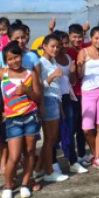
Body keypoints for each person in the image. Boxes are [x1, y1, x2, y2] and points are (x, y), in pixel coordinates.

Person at [0, 20, 43, 179]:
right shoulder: (2, 55)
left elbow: (38, 82)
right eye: (16, 38)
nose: (20, 41)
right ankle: (9, 178)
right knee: (11, 148)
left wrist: (37, 101)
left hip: (30, 107)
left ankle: (28, 179)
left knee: (29, 149)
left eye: (23, 37)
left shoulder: (32, 56)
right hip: (10, 108)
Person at [34, 34, 70, 183]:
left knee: (52, 139)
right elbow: (39, 86)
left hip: (55, 100)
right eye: (52, 46)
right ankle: (49, 171)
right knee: (50, 140)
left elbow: (57, 88)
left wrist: (60, 106)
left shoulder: (53, 62)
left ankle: (38, 169)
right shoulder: (41, 63)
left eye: (57, 46)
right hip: (47, 101)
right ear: (44, 46)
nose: (55, 49)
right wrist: (53, 76)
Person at [54, 31, 88, 175]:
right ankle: (52, 165)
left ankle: (72, 161)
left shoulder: (68, 58)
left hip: (68, 97)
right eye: (61, 44)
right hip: (54, 99)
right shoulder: (50, 60)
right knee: (54, 134)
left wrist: (73, 71)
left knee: (70, 129)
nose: (64, 46)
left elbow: (72, 81)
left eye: (66, 43)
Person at [77, 27, 99, 170]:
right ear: (91, 38)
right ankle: (93, 151)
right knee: (86, 128)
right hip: (88, 92)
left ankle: (97, 157)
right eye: (96, 38)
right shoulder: (83, 52)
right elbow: (79, 76)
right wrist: (80, 66)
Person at [66, 23, 89, 166]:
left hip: (83, 92)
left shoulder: (84, 49)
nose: (77, 39)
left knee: (81, 126)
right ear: (69, 37)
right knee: (72, 126)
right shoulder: (67, 52)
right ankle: (71, 155)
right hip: (71, 93)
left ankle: (82, 153)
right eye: (74, 37)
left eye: (79, 37)